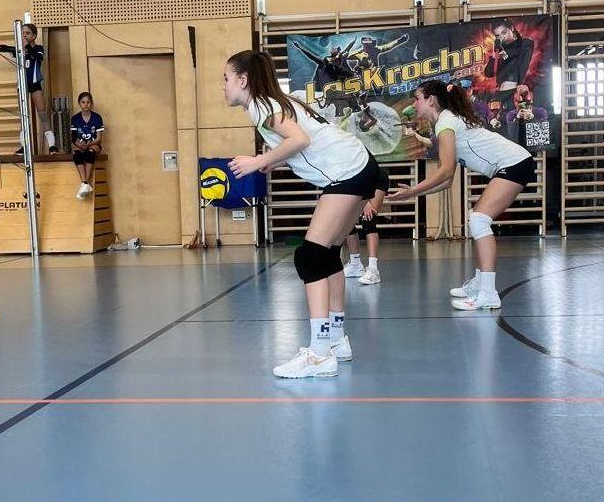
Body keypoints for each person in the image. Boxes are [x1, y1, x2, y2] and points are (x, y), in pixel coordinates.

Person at [224, 49, 380, 379]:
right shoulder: (276, 101)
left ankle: (320, 354)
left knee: (308, 257)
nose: (223, 86)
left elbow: (300, 139)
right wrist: (271, 161)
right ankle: (336, 341)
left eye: (226, 79)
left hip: (347, 171)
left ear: (243, 80)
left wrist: (255, 161)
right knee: (325, 255)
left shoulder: (262, 106)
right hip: (362, 166)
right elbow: (306, 142)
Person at [387, 79, 535, 311]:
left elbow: (445, 170)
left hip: (515, 163)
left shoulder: (445, 122)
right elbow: (447, 181)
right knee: (475, 217)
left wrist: (413, 190)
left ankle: (488, 294)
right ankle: (479, 283)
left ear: (431, 100)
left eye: (417, 98)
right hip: (514, 163)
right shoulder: (445, 123)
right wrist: (412, 195)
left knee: (478, 219)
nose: (414, 104)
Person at [0, 24, 58, 155]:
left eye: (28, 33)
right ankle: (24, 147)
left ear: (34, 35)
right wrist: (9, 48)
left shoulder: (38, 48)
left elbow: (38, 57)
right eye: (23, 33)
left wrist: (27, 46)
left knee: (42, 114)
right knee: (23, 117)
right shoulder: (19, 49)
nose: (25, 35)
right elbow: (1, 48)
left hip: (35, 84)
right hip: (22, 85)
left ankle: (52, 146)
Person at [342, 166, 390, 284]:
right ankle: (355, 264)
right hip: (354, 180)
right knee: (347, 220)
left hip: (374, 176)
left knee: (368, 218)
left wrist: (366, 201)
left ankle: (373, 269)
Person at [69, 92, 104, 200]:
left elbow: (99, 138)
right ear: (79, 104)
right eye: (83, 102)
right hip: (81, 145)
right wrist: (79, 144)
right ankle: (85, 183)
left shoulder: (97, 118)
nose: (86, 104)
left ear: (91, 104)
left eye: (88, 102)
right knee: (76, 153)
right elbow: (74, 138)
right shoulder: (75, 118)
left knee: (90, 152)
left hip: (93, 144)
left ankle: (85, 183)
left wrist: (90, 143)